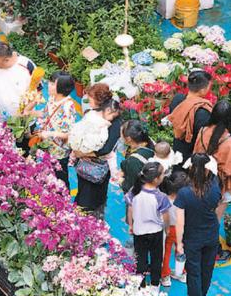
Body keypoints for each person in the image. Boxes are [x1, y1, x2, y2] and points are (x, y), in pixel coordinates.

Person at [175, 153, 222, 296]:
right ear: (209, 169)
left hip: (192, 238)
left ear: (191, 169)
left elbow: (180, 222)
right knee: (207, 268)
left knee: (193, 272)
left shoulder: (184, 193)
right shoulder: (215, 186)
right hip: (211, 235)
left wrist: (179, 243)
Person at [192, 99, 231, 262]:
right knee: (215, 219)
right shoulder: (229, 141)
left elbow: (195, 153)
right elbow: (230, 170)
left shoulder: (202, 131)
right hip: (221, 187)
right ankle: (213, 250)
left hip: (201, 179)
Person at [73, 85, 122, 219]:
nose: (88, 101)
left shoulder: (114, 121)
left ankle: (91, 226)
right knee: (83, 191)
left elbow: (106, 149)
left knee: (91, 200)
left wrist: (82, 153)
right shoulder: (93, 113)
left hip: (97, 169)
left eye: (90, 98)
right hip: (85, 166)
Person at [126, 162, 170, 288]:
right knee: (156, 259)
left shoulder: (134, 191)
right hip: (155, 232)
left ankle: (141, 284)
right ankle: (155, 284)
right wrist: (167, 229)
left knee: (140, 258)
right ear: (156, 179)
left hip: (139, 231)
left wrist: (131, 225)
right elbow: (166, 216)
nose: (163, 177)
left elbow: (130, 209)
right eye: (162, 174)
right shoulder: (161, 197)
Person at [32, 72, 77, 190]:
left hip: (59, 151)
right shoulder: (52, 98)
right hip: (47, 147)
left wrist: (49, 133)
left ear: (61, 88)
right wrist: (29, 112)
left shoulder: (68, 107)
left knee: (60, 179)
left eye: (53, 84)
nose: (49, 85)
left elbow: (67, 134)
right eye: (50, 82)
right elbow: (46, 114)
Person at [167, 70, 213, 164]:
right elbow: (204, 139)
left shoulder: (177, 99)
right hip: (193, 153)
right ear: (203, 90)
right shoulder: (202, 112)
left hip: (178, 146)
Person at [160, 170, 189, 286]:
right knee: (180, 250)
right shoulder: (186, 200)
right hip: (182, 229)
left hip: (169, 229)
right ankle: (181, 273)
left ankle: (165, 276)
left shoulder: (164, 199)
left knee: (166, 252)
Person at [120, 120, 155, 195]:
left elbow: (131, 187)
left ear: (129, 139)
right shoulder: (149, 142)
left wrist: (121, 181)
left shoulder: (134, 161)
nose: (120, 137)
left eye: (121, 135)